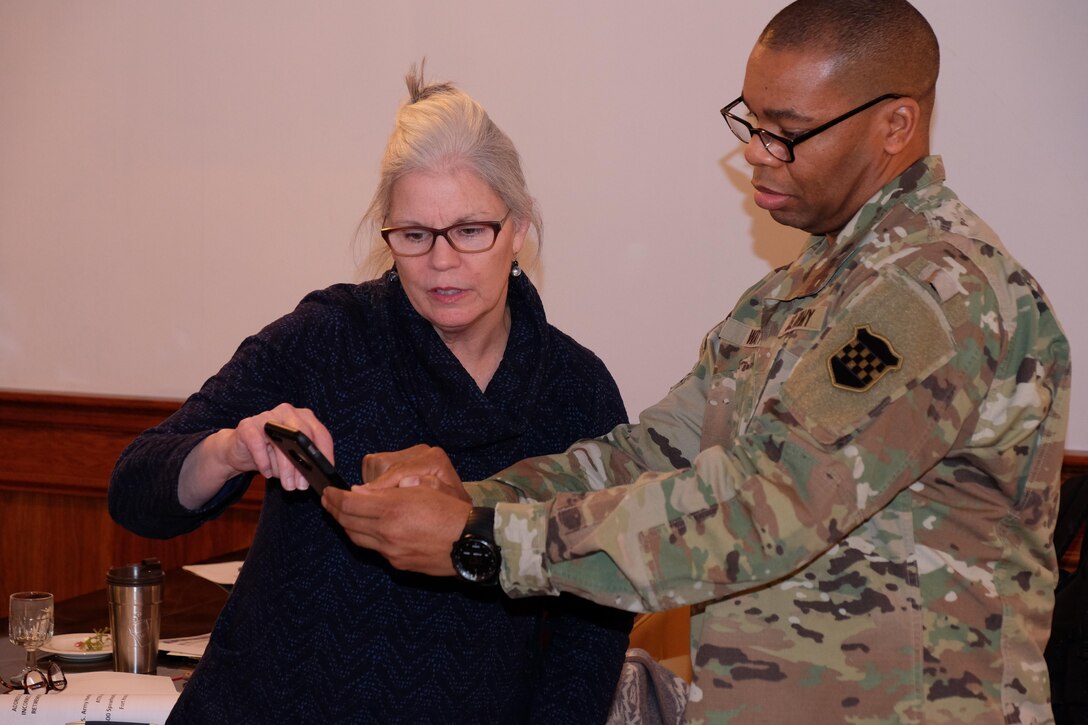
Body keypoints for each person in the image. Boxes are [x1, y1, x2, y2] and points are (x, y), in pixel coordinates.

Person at [321, 2, 1072, 723]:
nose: (754, 150)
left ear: (895, 126)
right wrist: (472, 493)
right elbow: (652, 454)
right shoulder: (792, 294)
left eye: (788, 132)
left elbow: (765, 504)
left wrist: (483, 538)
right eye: (751, 121)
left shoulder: (937, 292)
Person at [108, 66, 633, 724]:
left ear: (519, 227)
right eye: (413, 236)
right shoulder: (325, 339)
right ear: (386, 232)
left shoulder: (576, 391)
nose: (442, 261)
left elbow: (594, 627)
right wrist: (231, 448)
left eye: (470, 230)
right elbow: (135, 489)